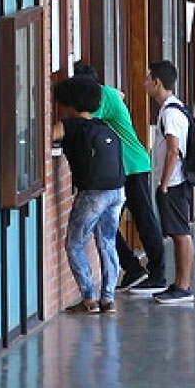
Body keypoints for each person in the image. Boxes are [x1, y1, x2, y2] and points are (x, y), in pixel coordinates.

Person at [74, 62, 166, 295]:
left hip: (132, 165)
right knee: (106, 222)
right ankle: (132, 268)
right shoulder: (109, 94)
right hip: (115, 169)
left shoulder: (102, 97)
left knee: (143, 218)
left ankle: (158, 274)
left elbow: (82, 117)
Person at [51, 74, 125, 316]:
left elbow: (45, 136)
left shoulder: (70, 125)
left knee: (74, 245)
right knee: (107, 242)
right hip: (117, 190)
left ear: (70, 103)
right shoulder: (104, 126)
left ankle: (88, 299)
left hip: (93, 193)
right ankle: (108, 298)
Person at [145, 61, 195, 307]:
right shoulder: (173, 108)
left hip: (174, 183)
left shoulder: (170, 113)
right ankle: (178, 284)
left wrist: (164, 184)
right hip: (175, 181)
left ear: (157, 82)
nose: (145, 84)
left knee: (180, 234)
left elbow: (173, 151)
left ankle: (183, 286)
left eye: (147, 79)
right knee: (177, 233)